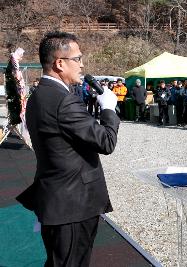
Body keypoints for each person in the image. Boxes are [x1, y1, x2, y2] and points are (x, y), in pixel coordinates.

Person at [16, 31, 120, 267]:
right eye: (78, 59)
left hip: (58, 199)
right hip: (72, 205)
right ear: (60, 63)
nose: (82, 65)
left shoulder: (39, 95)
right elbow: (106, 142)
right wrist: (109, 110)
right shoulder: (63, 100)